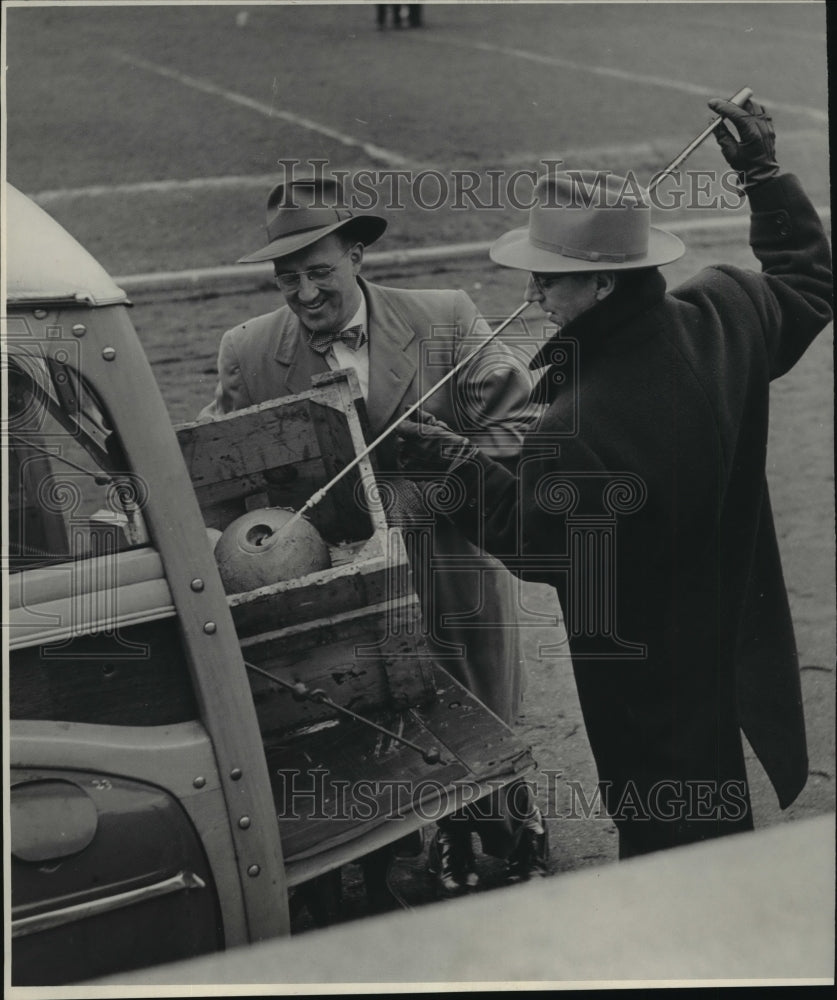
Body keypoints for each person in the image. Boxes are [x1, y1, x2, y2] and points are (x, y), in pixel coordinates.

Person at [397, 96, 832, 859]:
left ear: (603, 284)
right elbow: (807, 281)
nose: (530, 297)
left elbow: (535, 544)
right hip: (725, 621)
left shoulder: (576, 428)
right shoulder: (723, 310)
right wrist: (761, 172)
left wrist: (449, 462)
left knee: (664, 836)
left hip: (639, 669)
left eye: (546, 280)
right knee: (712, 813)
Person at [201, 175, 547, 898]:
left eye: (319, 272)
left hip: (446, 566)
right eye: (287, 278)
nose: (304, 294)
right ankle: (404, 836)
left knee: (474, 702)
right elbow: (221, 470)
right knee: (367, 715)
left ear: (356, 255)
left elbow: (519, 431)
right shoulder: (248, 350)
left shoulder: (446, 317)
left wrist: (444, 456)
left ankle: (511, 827)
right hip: (337, 584)